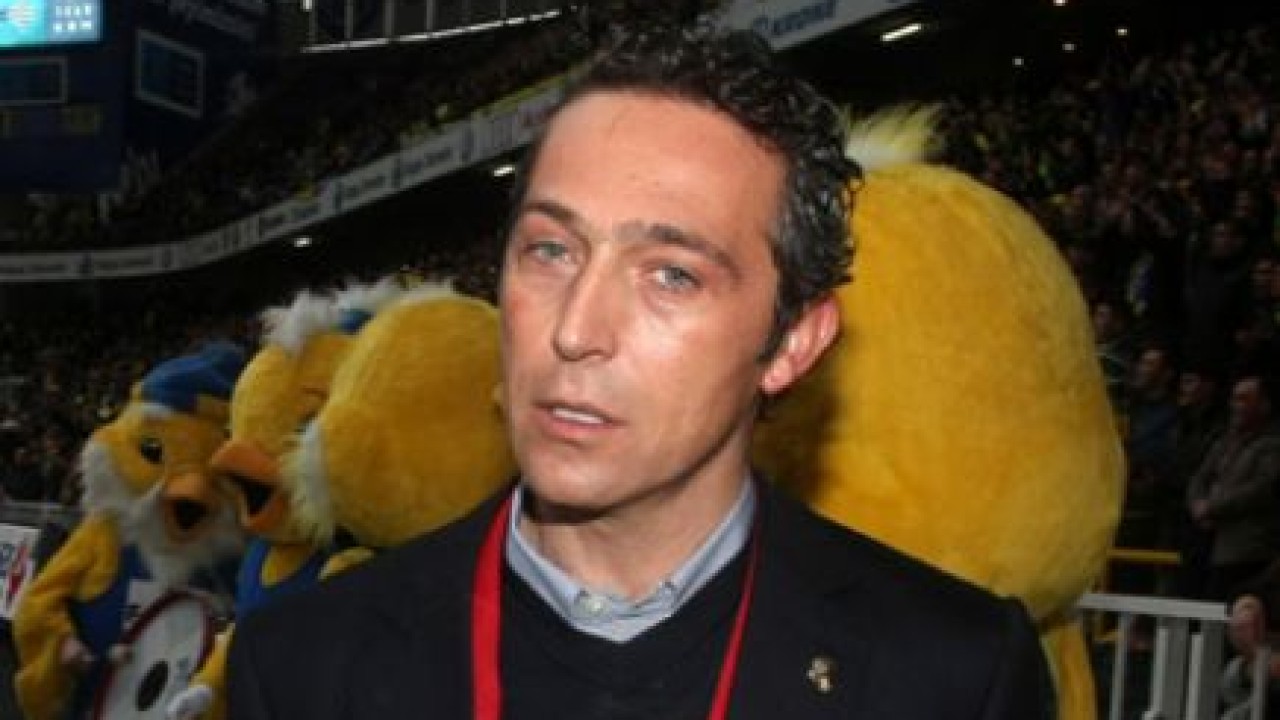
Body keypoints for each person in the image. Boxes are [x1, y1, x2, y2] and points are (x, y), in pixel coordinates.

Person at [227, 26, 1052, 719]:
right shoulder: (301, 671)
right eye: (551, 251)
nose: (575, 331)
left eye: (672, 275)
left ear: (794, 342)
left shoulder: (955, 679)